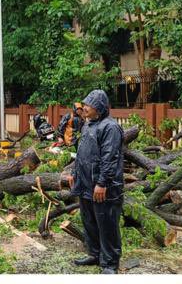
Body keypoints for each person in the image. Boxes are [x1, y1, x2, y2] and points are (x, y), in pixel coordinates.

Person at [64, 90, 124, 273]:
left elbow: (110, 158)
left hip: (103, 187)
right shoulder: (87, 125)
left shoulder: (110, 128)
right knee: (89, 220)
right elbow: (81, 153)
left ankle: (110, 263)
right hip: (85, 184)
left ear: (99, 107)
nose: (84, 108)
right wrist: (74, 172)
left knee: (107, 224)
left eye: (88, 105)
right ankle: (95, 253)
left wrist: (102, 183)